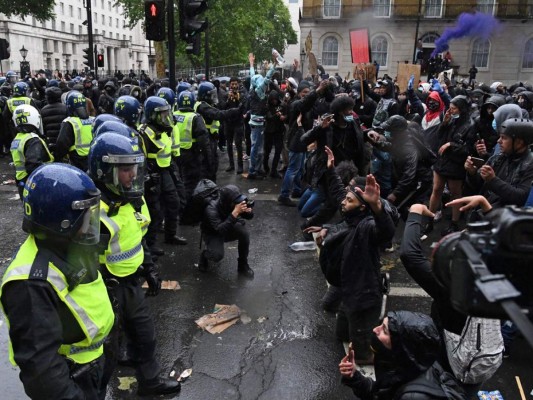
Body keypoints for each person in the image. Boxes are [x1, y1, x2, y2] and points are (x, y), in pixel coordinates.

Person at [0, 163, 115, 400]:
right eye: (86, 214)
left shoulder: (65, 244)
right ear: (62, 220)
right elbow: (43, 375)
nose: (91, 221)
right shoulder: (31, 283)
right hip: (73, 379)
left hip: (91, 365)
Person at [88, 132, 181, 396]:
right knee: (106, 353)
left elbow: (139, 238)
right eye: (125, 170)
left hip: (131, 282)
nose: (132, 175)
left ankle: (149, 382)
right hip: (107, 288)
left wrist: (149, 268)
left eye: (133, 169)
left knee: (145, 336)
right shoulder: (94, 213)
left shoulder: (131, 199)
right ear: (105, 171)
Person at [306, 156, 396, 363]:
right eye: (346, 199)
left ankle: (367, 354)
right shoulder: (351, 214)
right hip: (345, 286)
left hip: (362, 292)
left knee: (360, 345)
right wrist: (331, 170)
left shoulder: (366, 226)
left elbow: (385, 232)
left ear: (363, 207)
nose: (344, 203)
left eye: (349, 201)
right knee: (341, 333)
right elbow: (339, 192)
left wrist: (378, 208)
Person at [339, 311, 465, 399]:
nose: (375, 330)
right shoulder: (407, 363)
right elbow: (379, 393)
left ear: (402, 344)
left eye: (384, 330)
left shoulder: (412, 396)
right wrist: (354, 376)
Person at [138, 96, 186, 256]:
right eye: (162, 114)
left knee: (174, 201)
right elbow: (140, 159)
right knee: (154, 210)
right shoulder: (144, 132)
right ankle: (150, 245)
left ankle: (171, 235)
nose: (166, 117)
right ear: (152, 114)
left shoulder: (167, 128)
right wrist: (147, 177)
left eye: (167, 113)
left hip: (166, 170)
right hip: (152, 173)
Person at [464, 118, 533, 208]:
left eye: (504, 138)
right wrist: (472, 173)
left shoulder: (530, 164)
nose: (499, 141)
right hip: (487, 212)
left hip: (508, 218)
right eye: (500, 137)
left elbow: (522, 197)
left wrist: (493, 180)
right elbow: (478, 185)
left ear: (519, 143)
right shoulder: (498, 157)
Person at [199, 184, 255, 278]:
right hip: (213, 233)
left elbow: (248, 217)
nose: (237, 203)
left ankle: (242, 264)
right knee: (217, 256)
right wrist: (235, 213)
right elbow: (220, 230)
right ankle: (204, 256)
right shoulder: (211, 209)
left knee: (244, 234)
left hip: (227, 225)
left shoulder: (232, 203)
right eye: (235, 201)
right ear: (227, 201)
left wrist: (248, 212)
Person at [10, 104, 54, 198]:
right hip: (33, 183)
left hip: (22, 181)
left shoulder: (18, 138)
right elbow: (33, 164)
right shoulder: (32, 140)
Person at [54, 91, 95, 171]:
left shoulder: (69, 122)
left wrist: (57, 158)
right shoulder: (94, 120)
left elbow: (62, 143)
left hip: (78, 162)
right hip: (94, 158)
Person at [221, 77, 247, 174]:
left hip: (238, 123)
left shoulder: (242, 95)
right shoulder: (225, 95)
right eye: (232, 84)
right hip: (228, 123)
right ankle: (231, 165)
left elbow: (244, 108)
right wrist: (228, 99)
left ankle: (240, 166)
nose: (234, 86)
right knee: (229, 144)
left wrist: (237, 100)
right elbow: (222, 107)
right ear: (229, 85)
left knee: (238, 144)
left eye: (236, 84)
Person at [41, 86, 68, 152]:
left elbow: (43, 127)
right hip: (63, 140)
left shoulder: (43, 110)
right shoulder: (65, 108)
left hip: (50, 141)